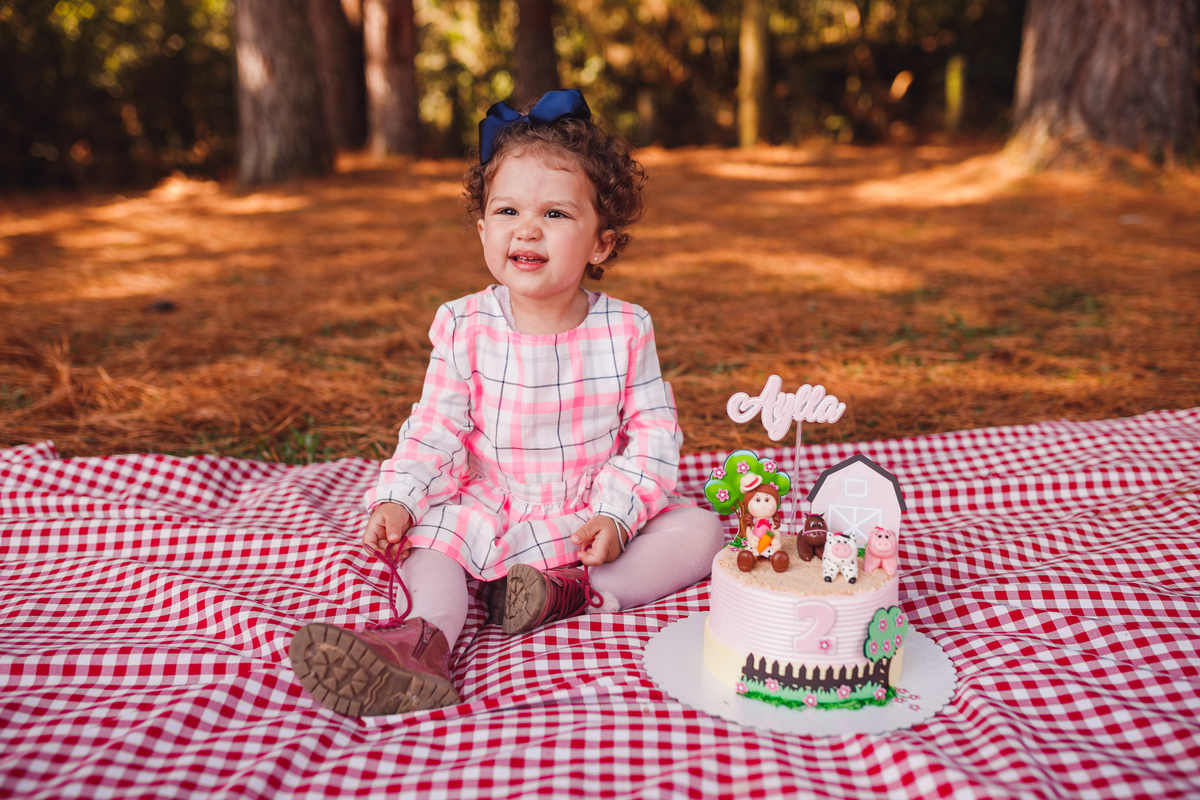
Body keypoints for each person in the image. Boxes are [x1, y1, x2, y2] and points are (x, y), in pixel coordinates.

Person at [289, 90, 726, 716]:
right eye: (508, 210)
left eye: (555, 214)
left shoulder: (626, 328)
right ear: (483, 229)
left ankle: (572, 591)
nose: (526, 228)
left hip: (585, 514)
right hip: (488, 500)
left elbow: (654, 435)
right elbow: (435, 426)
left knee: (702, 529)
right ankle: (423, 642)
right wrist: (400, 496)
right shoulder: (466, 324)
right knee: (433, 543)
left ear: (601, 243)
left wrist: (618, 515)